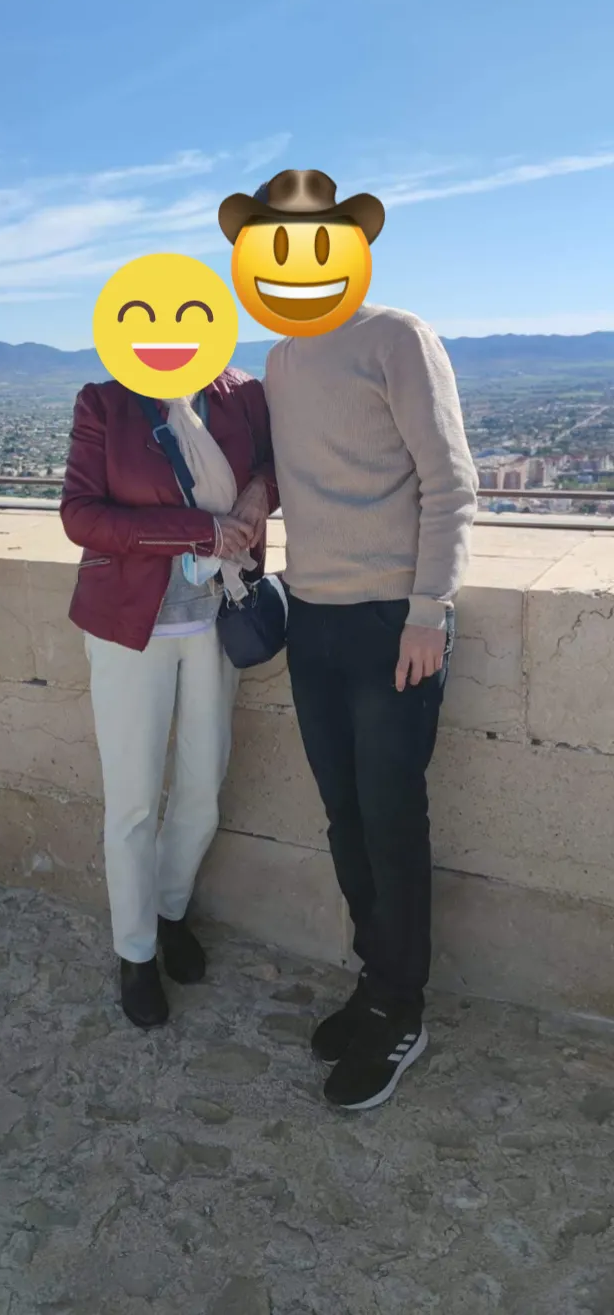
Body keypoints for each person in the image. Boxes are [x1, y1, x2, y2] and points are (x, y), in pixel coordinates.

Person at [219, 169, 478, 1111]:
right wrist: (258, 495)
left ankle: (403, 1008)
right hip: (315, 617)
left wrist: (428, 610)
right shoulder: (283, 357)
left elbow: (450, 482)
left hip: (391, 622)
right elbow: (292, 468)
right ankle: (377, 981)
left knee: (392, 817)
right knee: (344, 817)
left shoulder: (396, 337)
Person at [61, 371, 276, 1029]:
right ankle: (135, 951)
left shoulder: (242, 396)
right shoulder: (105, 402)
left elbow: (277, 466)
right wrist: (198, 531)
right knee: (132, 801)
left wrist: (260, 491)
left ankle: (169, 909)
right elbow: (81, 515)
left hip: (218, 619)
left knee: (202, 791)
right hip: (130, 626)